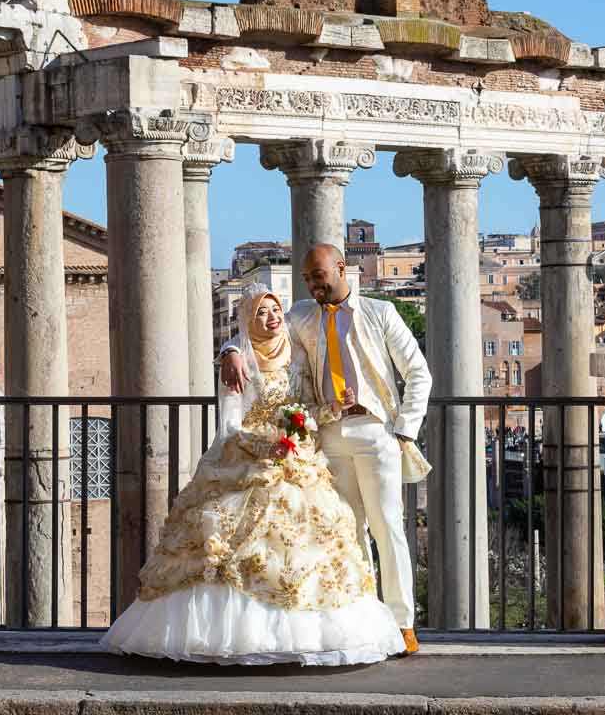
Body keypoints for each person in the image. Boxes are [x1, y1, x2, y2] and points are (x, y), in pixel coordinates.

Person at [100, 284, 405, 665]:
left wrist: (329, 411)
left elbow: (310, 408)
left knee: (313, 543)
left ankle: (310, 635)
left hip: (298, 461)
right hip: (247, 457)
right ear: (248, 319)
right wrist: (233, 359)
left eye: (275, 309)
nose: (273, 317)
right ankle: (228, 636)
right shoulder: (240, 358)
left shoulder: (296, 352)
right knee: (226, 544)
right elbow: (229, 425)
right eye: (262, 312)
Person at [221, 244, 432, 655]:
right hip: (329, 434)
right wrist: (230, 351)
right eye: (307, 278)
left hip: (376, 431)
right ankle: (366, 620)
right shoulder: (302, 314)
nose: (313, 283)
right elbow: (255, 330)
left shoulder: (380, 313)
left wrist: (404, 432)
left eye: (318, 275)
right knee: (347, 532)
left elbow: (418, 373)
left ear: (341, 269)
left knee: (388, 527)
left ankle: (403, 623)